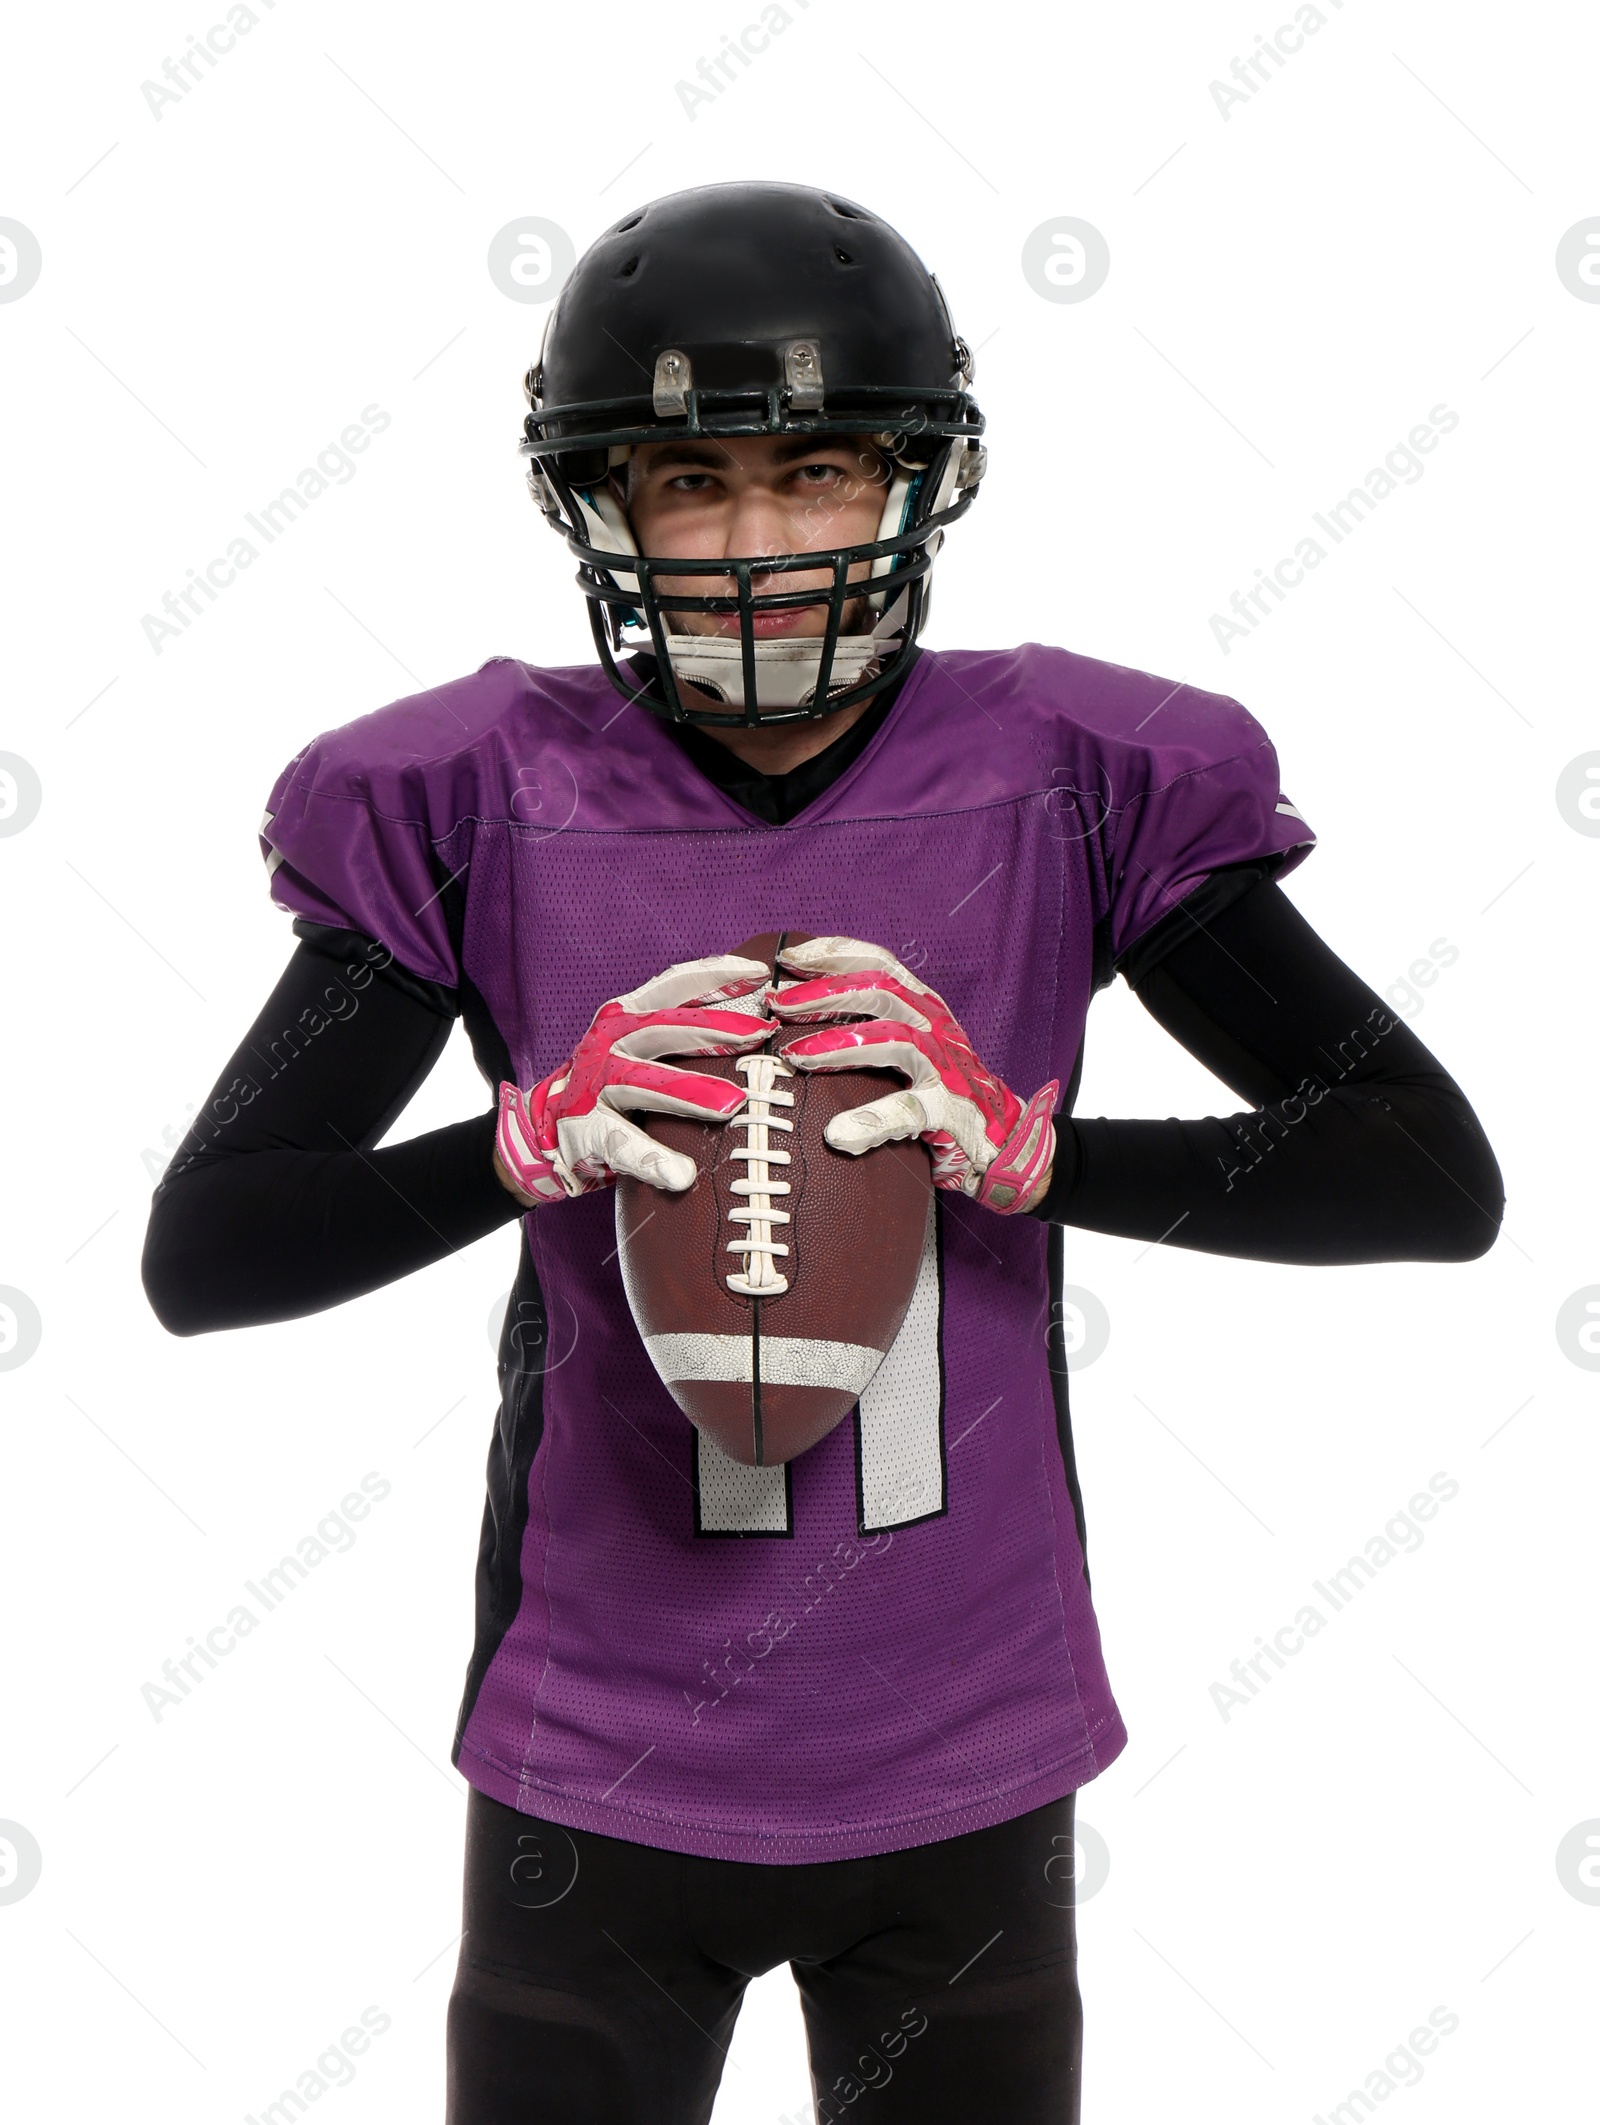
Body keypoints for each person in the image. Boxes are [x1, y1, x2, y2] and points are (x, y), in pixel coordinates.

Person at [141, 182, 1503, 2125]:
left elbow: (1424, 1173)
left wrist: (1034, 1153)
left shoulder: (1074, 775)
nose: (762, 547)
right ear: (593, 505)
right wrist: (516, 1144)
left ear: (920, 483)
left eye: (819, 469)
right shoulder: (465, 796)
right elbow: (212, 1248)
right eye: (689, 480)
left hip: (961, 1756)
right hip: (587, 1772)